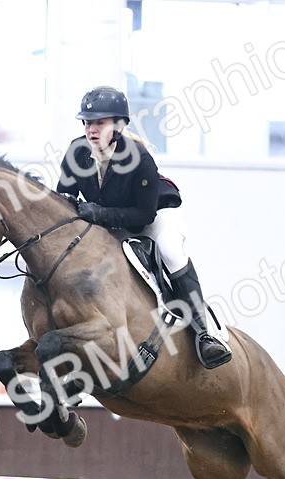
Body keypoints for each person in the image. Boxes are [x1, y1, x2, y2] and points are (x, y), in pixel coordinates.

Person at [55, 86, 231, 369]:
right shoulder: (77, 152)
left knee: (170, 252)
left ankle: (204, 334)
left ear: (118, 125)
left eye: (99, 123)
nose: (91, 130)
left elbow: (143, 216)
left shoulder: (139, 157)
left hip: (155, 215)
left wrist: (99, 213)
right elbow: (64, 198)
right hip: (112, 221)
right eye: (87, 123)